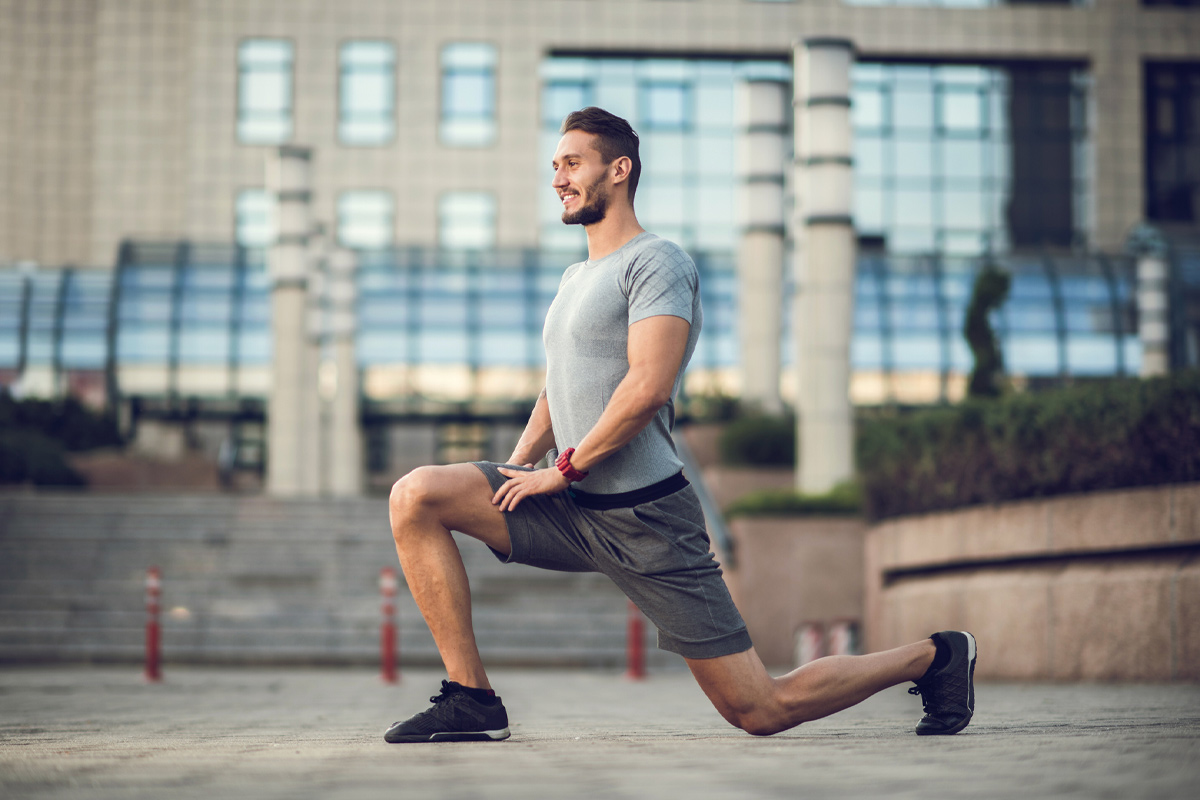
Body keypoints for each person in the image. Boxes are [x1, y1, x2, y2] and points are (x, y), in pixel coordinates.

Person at [383, 107, 977, 744]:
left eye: (572, 163)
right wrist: (522, 461)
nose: (558, 176)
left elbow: (646, 388)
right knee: (417, 494)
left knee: (759, 709)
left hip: (647, 520)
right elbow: (560, 385)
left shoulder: (657, 261)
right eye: (554, 165)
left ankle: (937, 656)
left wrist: (561, 470)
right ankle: (471, 698)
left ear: (620, 169)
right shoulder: (574, 277)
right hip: (569, 503)